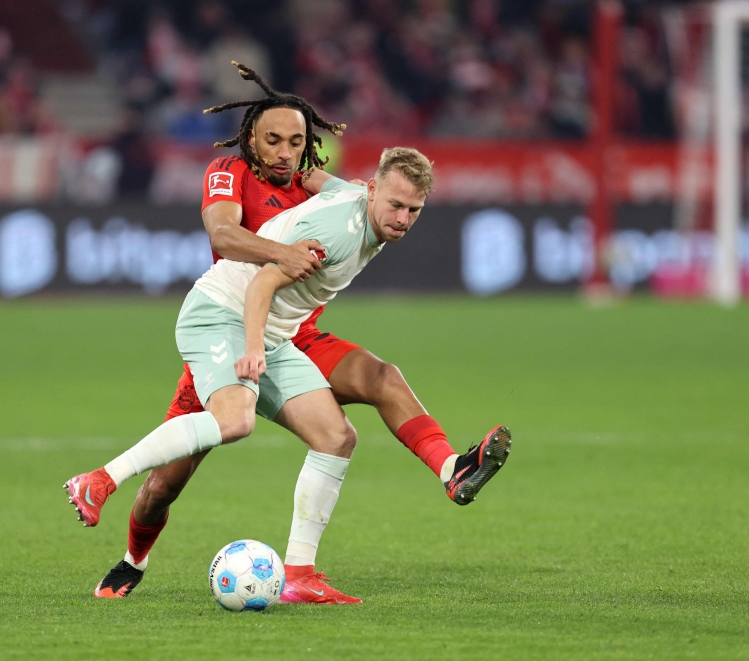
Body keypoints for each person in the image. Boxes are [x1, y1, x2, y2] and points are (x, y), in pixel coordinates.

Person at [67, 64, 512, 603]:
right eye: (274, 139)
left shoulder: (325, 188)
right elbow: (225, 235)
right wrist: (279, 264)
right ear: (253, 138)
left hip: (291, 330)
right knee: (166, 484)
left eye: (297, 142)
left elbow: (357, 196)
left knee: (366, 397)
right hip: (233, 319)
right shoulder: (230, 172)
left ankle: (438, 476)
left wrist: (365, 196)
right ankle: (130, 553)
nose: (284, 151)